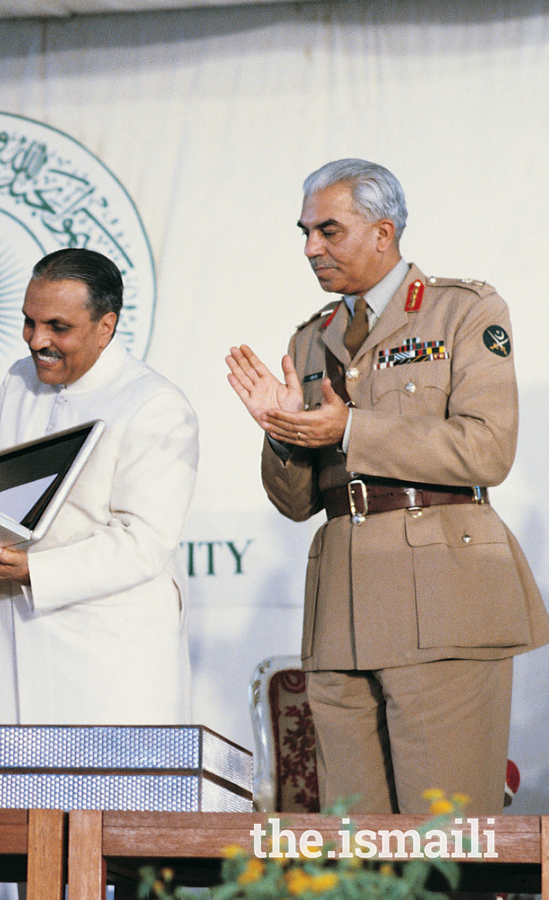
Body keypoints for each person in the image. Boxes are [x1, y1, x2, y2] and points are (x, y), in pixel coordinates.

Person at [226, 158, 549, 815]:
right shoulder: (310, 338)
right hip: (340, 612)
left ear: (383, 232)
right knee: (358, 857)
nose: (311, 247)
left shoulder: (463, 309)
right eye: (305, 232)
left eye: (328, 230)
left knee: (445, 842)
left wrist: (350, 430)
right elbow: (295, 505)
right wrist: (283, 432)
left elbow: (487, 451)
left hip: (445, 599)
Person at [0, 248, 199, 727]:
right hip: (13, 634)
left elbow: (144, 544)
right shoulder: (20, 381)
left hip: (111, 651)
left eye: (58, 327)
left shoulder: (153, 403)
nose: (37, 341)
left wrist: (31, 569)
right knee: (11, 795)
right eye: (29, 322)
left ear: (106, 326)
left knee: (107, 798)